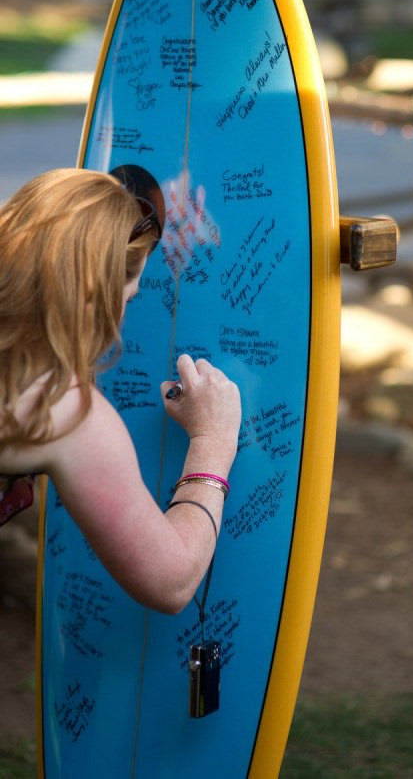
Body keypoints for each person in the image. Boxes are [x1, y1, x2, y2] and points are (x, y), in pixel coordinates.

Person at [0, 167, 241, 614]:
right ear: (97, 294)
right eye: (130, 294)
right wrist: (214, 441)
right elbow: (170, 582)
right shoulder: (62, 410)